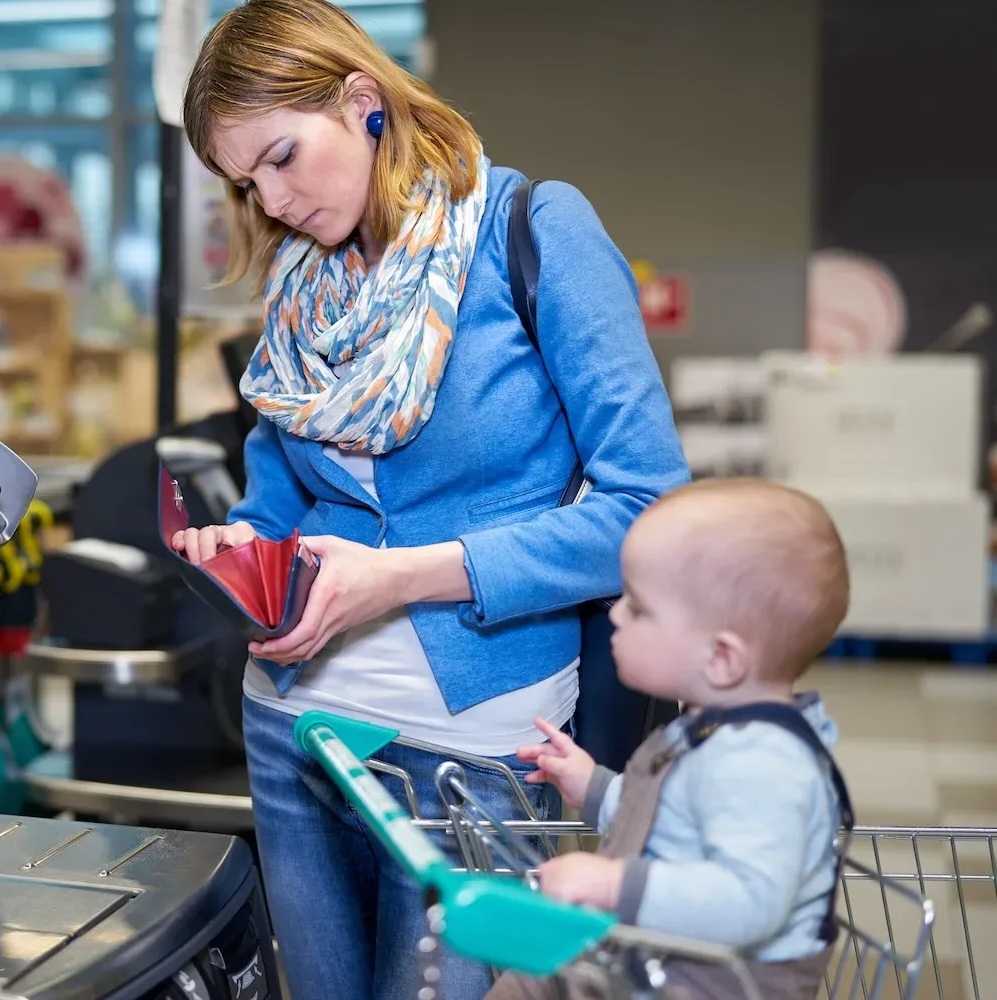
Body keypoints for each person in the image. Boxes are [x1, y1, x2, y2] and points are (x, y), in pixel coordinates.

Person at [172, 2, 689, 997]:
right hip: (295, 724)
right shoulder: (300, 283)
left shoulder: (529, 232)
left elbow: (647, 508)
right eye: (247, 183)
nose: (272, 202)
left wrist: (404, 578)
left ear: (362, 99)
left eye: (283, 157)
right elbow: (279, 488)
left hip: (476, 753)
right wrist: (243, 545)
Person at [488, 479, 853, 1000]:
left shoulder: (761, 761)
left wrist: (610, 885)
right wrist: (595, 788)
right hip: (661, 960)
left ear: (721, 659)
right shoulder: (710, 729)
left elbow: (750, 902)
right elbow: (672, 824)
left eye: (638, 607)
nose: (615, 614)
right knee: (530, 980)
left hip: (714, 982)